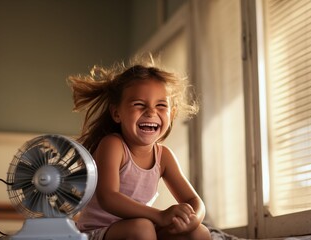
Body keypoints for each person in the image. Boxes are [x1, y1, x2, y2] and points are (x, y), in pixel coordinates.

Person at [67, 55, 211, 240]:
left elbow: (194, 201)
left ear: (172, 113)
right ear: (117, 113)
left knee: (199, 232)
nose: (151, 112)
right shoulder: (113, 145)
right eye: (139, 105)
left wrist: (193, 218)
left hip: (141, 229)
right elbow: (108, 197)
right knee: (142, 227)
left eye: (161, 105)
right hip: (98, 232)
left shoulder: (163, 156)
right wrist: (160, 216)